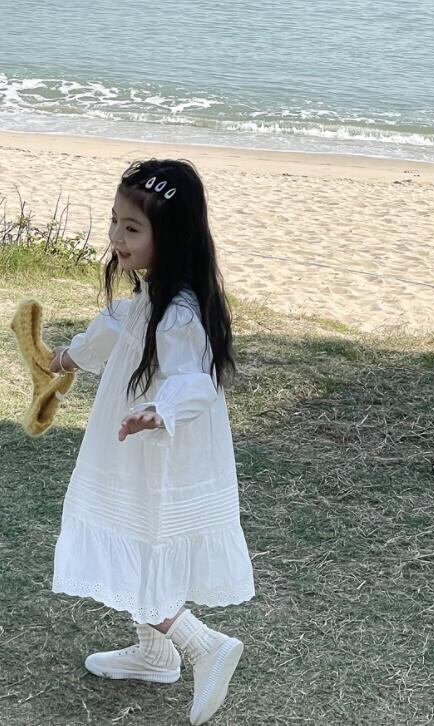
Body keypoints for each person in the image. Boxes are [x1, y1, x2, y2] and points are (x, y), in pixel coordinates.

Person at [49, 158, 255, 725]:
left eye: (132, 228)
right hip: (136, 446)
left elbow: (196, 380)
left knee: (140, 545)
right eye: (114, 221)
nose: (116, 237)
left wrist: (160, 410)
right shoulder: (149, 297)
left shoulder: (180, 312)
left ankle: (203, 644)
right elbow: (113, 331)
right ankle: (154, 654)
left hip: (160, 450)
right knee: (139, 534)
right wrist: (62, 358)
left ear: (172, 236)